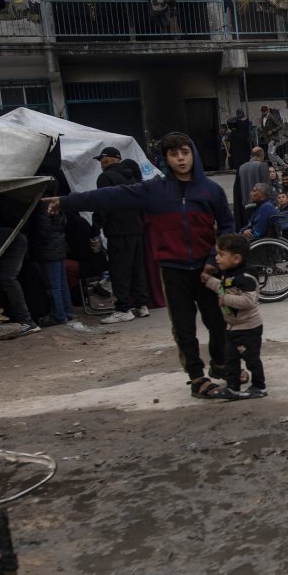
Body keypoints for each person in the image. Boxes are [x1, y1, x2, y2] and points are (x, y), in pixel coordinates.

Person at [43, 133, 238, 400]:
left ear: (193, 154)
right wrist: (67, 202)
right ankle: (197, 378)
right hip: (173, 270)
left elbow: (227, 226)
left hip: (208, 272)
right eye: (173, 154)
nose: (180, 158)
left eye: (184, 152)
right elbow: (110, 197)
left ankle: (220, 364)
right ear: (166, 159)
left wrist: (214, 260)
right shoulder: (154, 190)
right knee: (184, 328)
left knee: (217, 322)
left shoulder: (211, 191)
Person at [202, 234, 267, 399]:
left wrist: (225, 300)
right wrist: (209, 281)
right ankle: (233, 388)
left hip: (248, 328)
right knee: (231, 360)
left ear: (237, 258)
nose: (216, 258)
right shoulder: (228, 273)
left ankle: (259, 387)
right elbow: (223, 288)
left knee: (251, 360)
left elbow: (248, 300)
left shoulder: (245, 277)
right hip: (232, 327)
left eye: (221, 254)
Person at [94, 147, 149, 323]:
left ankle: (123, 308)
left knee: (119, 270)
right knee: (136, 268)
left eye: (102, 160)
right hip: (136, 228)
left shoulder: (106, 177)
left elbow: (104, 203)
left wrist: (95, 227)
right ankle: (141, 305)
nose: (101, 163)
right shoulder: (131, 176)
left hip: (118, 231)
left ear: (107, 159)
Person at [28, 185, 74, 327]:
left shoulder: (43, 204)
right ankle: (67, 311)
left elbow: (43, 228)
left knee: (52, 285)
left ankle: (58, 315)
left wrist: (34, 243)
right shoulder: (56, 202)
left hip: (48, 248)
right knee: (61, 283)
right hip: (58, 245)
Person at [234, 146, 271, 227]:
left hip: (246, 206)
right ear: (262, 156)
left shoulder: (241, 167)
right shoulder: (262, 166)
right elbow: (267, 188)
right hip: (261, 206)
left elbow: (238, 189)